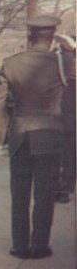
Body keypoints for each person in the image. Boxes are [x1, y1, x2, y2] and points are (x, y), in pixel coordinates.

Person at [0, 15, 65, 259]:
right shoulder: (62, 63)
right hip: (49, 136)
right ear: (52, 36)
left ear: (29, 35)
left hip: (20, 135)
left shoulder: (11, 63)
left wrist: (2, 138)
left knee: (20, 195)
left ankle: (20, 246)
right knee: (44, 195)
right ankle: (40, 245)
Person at [53, 33, 76, 204]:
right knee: (62, 156)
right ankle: (60, 188)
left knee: (68, 156)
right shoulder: (56, 65)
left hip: (69, 122)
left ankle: (64, 188)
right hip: (58, 119)